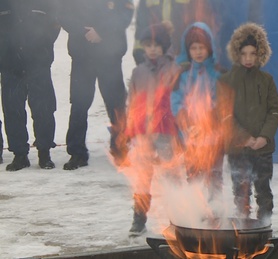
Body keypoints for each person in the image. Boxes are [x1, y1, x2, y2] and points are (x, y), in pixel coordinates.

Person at [58, 0, 134, 170]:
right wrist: (83, 31)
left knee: (116, 104)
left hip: (110, 54)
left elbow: (124, 13)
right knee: (79, 104)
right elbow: (63, 13)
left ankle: (121, 150)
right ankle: (77, 153)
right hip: (82, 55)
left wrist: (102, 32)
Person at [217, 23, 278, 224]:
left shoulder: (267, 79)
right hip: (237, 147)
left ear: (260, 54)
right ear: (237, 54)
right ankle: (243, 225)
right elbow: (224, 114)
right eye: (244, 54)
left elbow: (274, 110)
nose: (248, 58)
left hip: (262, 147)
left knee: (263, 188)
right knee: (241, 189)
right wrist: (244, 138)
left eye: (253, 54)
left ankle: (265, 224)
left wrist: (263, 137)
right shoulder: (226, 81)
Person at [124, 21, 181, 236]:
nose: (153, 49)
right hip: (143, 131)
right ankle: (139, 218)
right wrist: (130, 131)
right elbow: (132, 101)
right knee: (142, 176)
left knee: (171, 174)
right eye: (149, 45)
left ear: (165, 46)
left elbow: (180, 100)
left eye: (158, 45)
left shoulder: (174, 69)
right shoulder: (138, 71)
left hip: (166, 131)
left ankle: (177, 217)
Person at [0, 0, 60, 171]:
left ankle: (44, 152)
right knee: (13, 110)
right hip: (10, 64)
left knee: (44, 109)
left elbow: (55, 24)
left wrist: (42, 47)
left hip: (38, 63)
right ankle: (19, 154)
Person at [171, 21, 225, 202]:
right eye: (194, 48)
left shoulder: (217, 74)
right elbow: (177, 101)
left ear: (209, 48)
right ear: (188, 50)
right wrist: (186, 122)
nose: (198, 52)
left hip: (213, 134)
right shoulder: (183, 75)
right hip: (191, 134)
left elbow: (221, 101)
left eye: (202, 47)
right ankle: (197, 209)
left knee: (214, 175)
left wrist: (211, 123)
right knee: (194, 174)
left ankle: (216, 209)